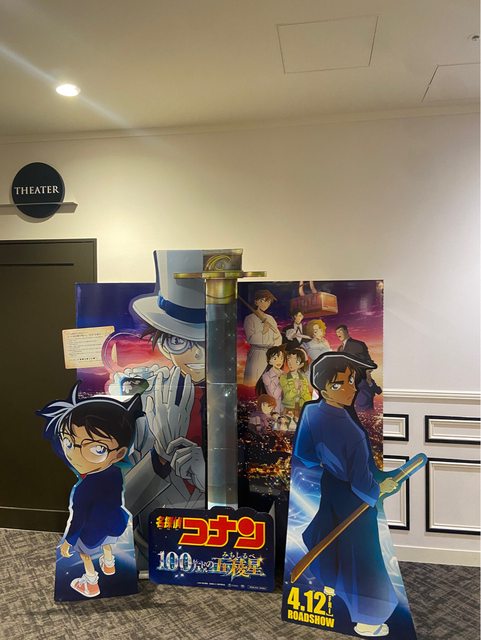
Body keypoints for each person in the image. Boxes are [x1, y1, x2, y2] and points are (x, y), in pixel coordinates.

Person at [111, 250, 207, 567]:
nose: (196, 354)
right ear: (164, 344)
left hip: (215, 541)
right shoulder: (149, 395)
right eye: (180, 341)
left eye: (205, 340)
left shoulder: (231, 403)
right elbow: (117, 502)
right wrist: (158, 459)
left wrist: (210, 477)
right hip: (149, 546)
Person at [293, 352, 398, 638]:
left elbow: (305, 453)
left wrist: (331, 463)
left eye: (352, 380)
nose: (350, 389)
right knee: (363, 553)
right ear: (324, 388)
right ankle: (368, 619)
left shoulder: (311, 412)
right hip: (354, 496)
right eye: (340, 384)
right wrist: (379, 489)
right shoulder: (351, 431)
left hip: (331, 485)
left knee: (330, 535)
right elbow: (362, 481)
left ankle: (330, 583)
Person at [37, 384, 142, 598]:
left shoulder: (84, 489)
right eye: (68, 442)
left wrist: (68, 541)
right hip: (114, 521)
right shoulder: (114, 472)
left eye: (96, 448)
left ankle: (91, 581)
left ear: (119, 453)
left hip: (92, 530)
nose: (76, 455)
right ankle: (109, 563)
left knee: (85, 553)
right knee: (107, 543)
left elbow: (78, 520)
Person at [243, 289, 282, 386]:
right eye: (262, 300)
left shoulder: (270, 319)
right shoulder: (250, 319)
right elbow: (251, 339)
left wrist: (273, 346)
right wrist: (263, 331)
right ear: (256, 302)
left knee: (270, 383)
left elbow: (278, 338)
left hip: (270, 355)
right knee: (255, 381)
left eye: (268, 301)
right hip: (257, 354)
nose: (265, 304)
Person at [279, 348, 311, 418]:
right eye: (289, 360)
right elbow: (287, 396)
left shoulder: (303, 378)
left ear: (301, 364)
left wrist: (302, 391)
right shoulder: (284, 377)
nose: (291, 363)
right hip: (289, 408)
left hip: (301, 408)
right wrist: (295, 389)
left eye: (296, 361)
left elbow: (307, 396)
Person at [255, 345, 285, 413]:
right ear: (269, 361)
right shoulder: (266, 376)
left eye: (281, 358)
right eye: (275, 358)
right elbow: (275, 395)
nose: (279, 361)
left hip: (284, 408)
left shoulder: (284, 374)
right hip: (273, 409)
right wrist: (280, 379)